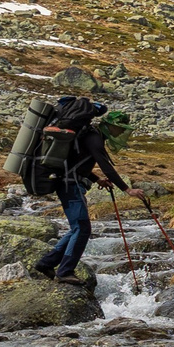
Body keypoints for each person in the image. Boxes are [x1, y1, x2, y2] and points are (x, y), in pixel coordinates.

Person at [29, 104, 130, 282]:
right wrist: (127, 189)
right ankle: (65, 271)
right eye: (118, 128)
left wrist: (96, 179)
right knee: (82, 228)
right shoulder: (94, 138)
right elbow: (106, 166)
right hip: (70, 185)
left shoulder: (91, 135)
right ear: (109, 125)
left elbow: (77, 161)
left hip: (68, 182)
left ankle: (46, 263)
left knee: (78, 228)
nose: (119, 133)